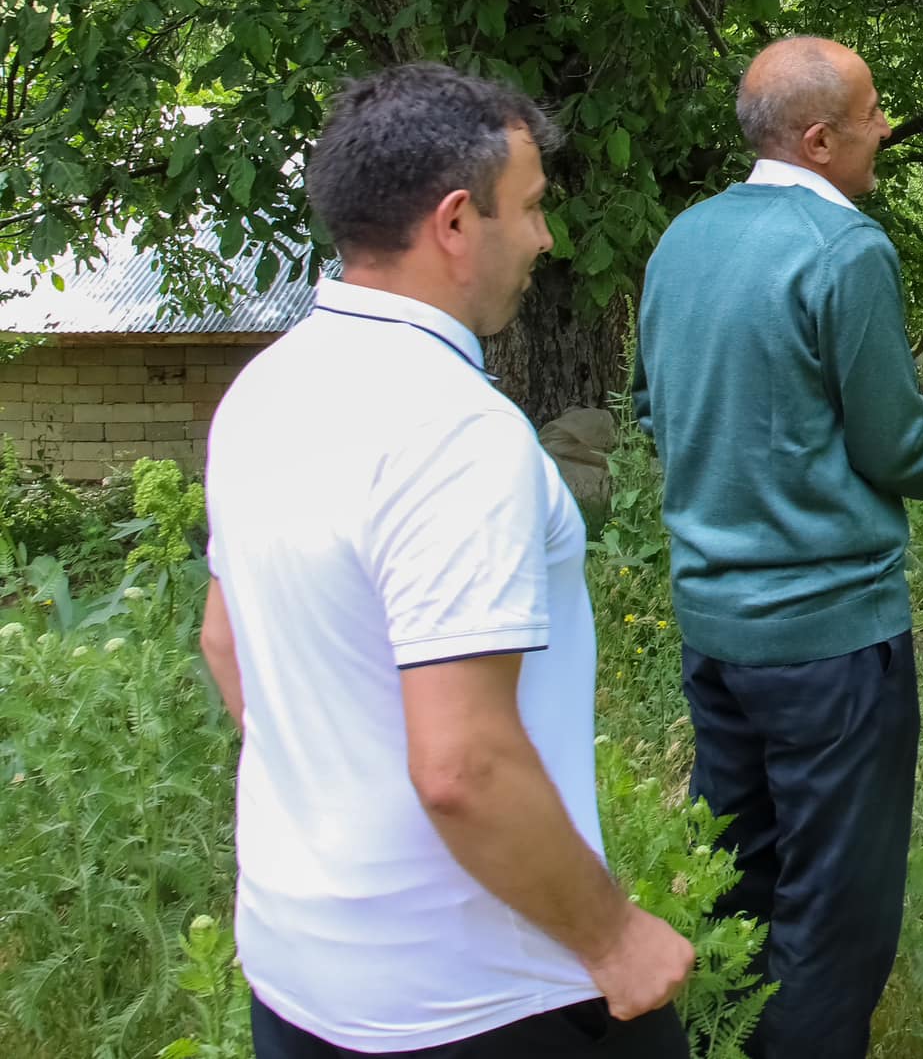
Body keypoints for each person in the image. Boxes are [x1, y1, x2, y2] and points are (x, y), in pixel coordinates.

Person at [202, 62, 695, 1058]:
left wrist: (342, 803)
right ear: (457, 221)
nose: (545, 239)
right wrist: (612, 937)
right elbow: (462, 764)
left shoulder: (267, 390)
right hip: (484, 996)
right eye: (531, 208)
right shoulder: (454, 433)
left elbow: (226, 639)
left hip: (299, 971)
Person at [632, 37, 923, 1059]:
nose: (885, 126)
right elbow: (891, 444)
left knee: (738, 878)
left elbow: (649, 407)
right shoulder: (844, 249)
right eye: (872, 111)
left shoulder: (683, 239)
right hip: (831, 643)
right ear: (817, 137)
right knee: (834, 914)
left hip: (713, 634)